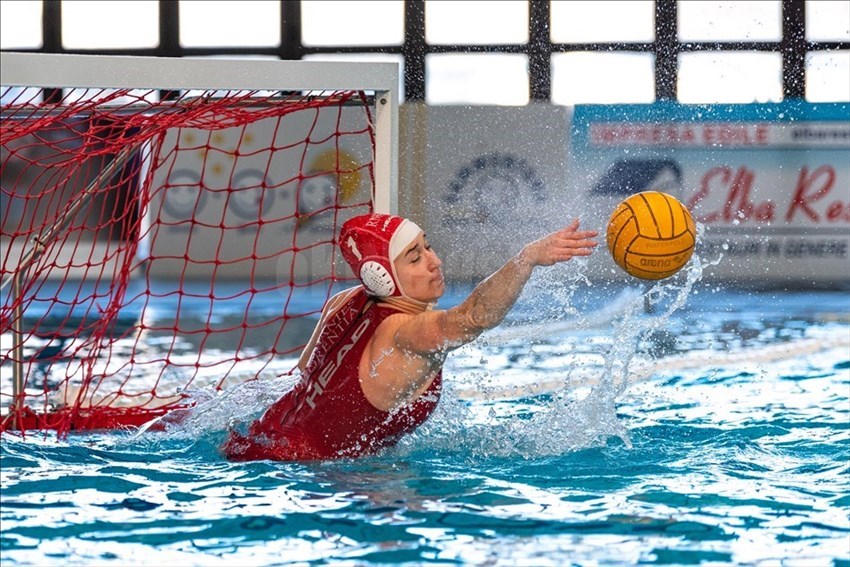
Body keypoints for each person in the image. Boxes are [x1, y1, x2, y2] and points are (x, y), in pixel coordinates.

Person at [221, 213, 598, 461]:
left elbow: (305, 373)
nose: (435, 261)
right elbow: (474, 315)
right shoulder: (405, 334)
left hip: (260, 439)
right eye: (414, 258)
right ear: (382, 277)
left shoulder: (345, 302)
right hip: (307, 475)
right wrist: (526, 259)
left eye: (427, 246)